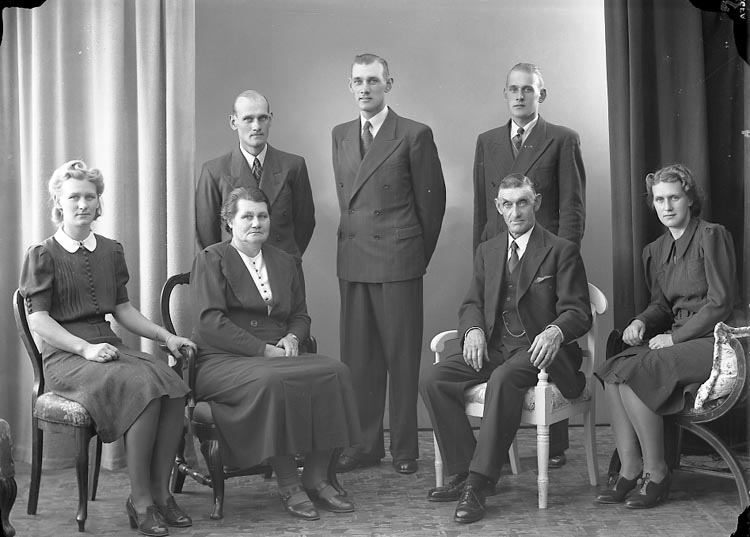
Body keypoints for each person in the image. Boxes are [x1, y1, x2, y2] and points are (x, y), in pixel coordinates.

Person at [19, 160, 195, 537]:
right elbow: (40, 321)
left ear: (99, 202)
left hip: (108, 347)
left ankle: (161, 494)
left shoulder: (111, 251)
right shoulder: (43, 254)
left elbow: (123, 310)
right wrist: (84, 349)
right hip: (66, 357)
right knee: (142, 386)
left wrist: (166, 338)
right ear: (58, 202)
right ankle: (141, 501)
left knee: (172, 385)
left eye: (90, 196)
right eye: (73, 197)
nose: (83, 204)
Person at [420, 174, 591, 524]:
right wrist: (473, 330)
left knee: (503, 378)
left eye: (523, 202)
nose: (516, 212)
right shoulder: (489, 250)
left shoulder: (561, 250)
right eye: (508, 204)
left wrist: (556, 330)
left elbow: (578, 311)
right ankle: (465, 470)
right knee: (433, 379)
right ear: (498, 207)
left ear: (536, 203)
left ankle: (479, 484)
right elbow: (472, 302)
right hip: (497, 347)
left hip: (541, 353)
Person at [190, 187, 361, 521]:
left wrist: (294, 337)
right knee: (272, 382)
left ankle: (316, 475)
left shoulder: (284, 261)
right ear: (229, 221)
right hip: (223, 359)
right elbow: (211, 324)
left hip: (278, 355)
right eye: (247, 216)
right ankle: (289, 482)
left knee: (336, 371)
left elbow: (300, 314)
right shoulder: (211, 258)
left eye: (262, 216)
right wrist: (263, 350)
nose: (256, 223)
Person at [594, 164, 742, 509]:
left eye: (674, 197)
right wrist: (641, 321)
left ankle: (657, 473)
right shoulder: (656, 249)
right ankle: (630, 469)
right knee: (613, 371)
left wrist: (675, 339)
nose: (667, 206)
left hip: (717, 340)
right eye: (659, 199)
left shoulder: (711, 235)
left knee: (639, 371)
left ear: (689, 198)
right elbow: (660, 305)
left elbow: (721, 303)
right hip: (679, 337)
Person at [332, 53, 446, 475]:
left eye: (373, 81)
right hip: (353, 260)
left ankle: (403, 449)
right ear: (350, 86)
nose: (365, 89)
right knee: (358, 360)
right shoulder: (340, 134)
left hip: (398, 261)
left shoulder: (414, 134)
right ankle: (364, 446)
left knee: (401, 359)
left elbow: (432, 205)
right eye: (358, 81)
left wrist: (411, 255)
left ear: (388, 84)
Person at [472, 62, 587, 469]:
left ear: (542, 95)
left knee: (545, 340)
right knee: (503, 347)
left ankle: (554, 445)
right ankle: (493, 454)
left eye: (528, 89)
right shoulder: (487, 141)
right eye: (513, 89)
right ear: (505, 94)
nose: (520, 96)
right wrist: (484, 265)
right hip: (502, 255)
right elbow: (483, 214)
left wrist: (560, 263)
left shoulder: (561, 139)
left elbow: (572, 209)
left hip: (546, 263)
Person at [195, 90, 315, 287]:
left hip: (284, 273)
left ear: (270, 119)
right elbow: (206, 232)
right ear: (234, 122)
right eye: (248, 119)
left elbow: (305, 222)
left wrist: (286, 258)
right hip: (235, 275)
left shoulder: (294, 166)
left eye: (262, 118)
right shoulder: (214, 171)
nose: (256, 126)